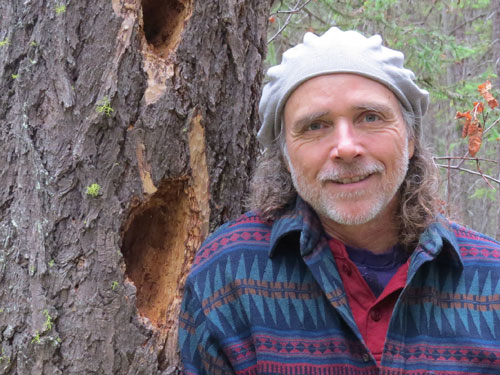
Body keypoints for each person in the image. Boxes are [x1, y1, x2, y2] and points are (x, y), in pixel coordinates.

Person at [178, 27, 500, 375]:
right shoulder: (228, 277)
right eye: (316, 126)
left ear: (409, 140)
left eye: (370, 117)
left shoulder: (491, 280)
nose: (346, 147)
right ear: (285, 156)